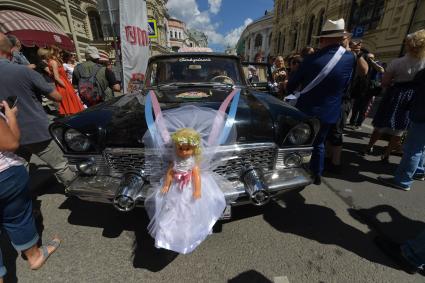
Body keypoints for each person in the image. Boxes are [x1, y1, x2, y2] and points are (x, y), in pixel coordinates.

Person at [0, 33, 76, 188]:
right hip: (35, 130)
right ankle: (79, 196)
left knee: (20, 169)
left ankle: (25, 199)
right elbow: (57, 97)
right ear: (11, 50)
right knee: (61, 165)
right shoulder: (24, 71)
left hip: (7, 135)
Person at [286, 19, 356, 185]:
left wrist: (291, 91)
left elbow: (292, 85)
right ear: (341, 37)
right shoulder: (350, 58)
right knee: (319, 143)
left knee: (300, 141)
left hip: (306, 109)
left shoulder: (311, 59)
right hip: (331, 110)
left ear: (322, 39)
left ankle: (296, 171)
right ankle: (317, 174)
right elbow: (346, 85)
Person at [0, 100, 60, 280]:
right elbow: (11, 143)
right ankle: (34, 257)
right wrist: (11, 117)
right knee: (17, 216)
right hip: (5, 176)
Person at [363, 29, 425, 161]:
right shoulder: (423, 64)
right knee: (401, 127)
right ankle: (386, 154)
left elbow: (384, 83)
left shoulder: (397, 62)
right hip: (412, 96)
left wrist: (393, 81)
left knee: (380, 123)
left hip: (395, 94)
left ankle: (369, 146)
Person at [349, 52, 384, 129]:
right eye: (368, 58)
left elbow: (381, 70)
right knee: (355, 106)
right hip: (360, 88)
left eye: (371, 58)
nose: (369, 59)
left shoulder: (377, 64)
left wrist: (372, 61)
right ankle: (352, 122)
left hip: (370, 90)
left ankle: (358, 124)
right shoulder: (363, 63)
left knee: (364, 108)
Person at [47, 46, 84, 115]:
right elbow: (56, 77)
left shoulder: (54, 61)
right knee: (70, 105)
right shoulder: (53, 62)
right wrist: (66, 86)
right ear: (54, 51)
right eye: (59, 52)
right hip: (63, 85)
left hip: (64, 83)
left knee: (71, 105)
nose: (60, 54)